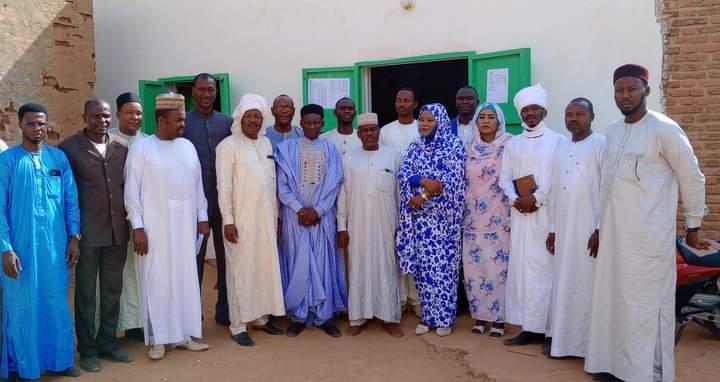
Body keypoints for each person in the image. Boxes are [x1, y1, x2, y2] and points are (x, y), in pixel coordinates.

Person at [585, 65, 708, 382]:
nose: (625, 96)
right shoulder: (612, 131)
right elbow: (606, 187)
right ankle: (612, 365)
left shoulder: (664, 129)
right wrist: (600, 227)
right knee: (613, 301)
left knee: (644, 306)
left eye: (632, 89)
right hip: (613, 237)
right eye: (619, 90)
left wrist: (693, 227)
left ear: (646, 91)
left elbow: (691, 178)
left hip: (647, 239)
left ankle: (645, 373)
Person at [124, 92, 210, 360]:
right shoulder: (142, 148)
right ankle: (159, 338)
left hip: (184, 226)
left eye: (183, 121)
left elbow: (197, 186)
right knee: (159, 278)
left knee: (185, 278)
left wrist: (203, 217)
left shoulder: (187, 147)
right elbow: (131, 191)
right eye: (178, 121)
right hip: (154, 227)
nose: (182, 126)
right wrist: (137, 226)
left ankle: (183, 335)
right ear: (161, 119)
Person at [0, 102, 82, 380]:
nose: (38, 129)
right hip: (20, 249)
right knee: (21, 306)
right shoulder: (8, 161)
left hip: (55, 247)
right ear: (21, 124)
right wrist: (6, 249)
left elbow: (71, 199)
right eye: (32, 123)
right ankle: (22, 366)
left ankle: (61, 361)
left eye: (42, 123)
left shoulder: (58, 159)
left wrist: (74, 237)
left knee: (56, 301)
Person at [58, 100, 132, 372]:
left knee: (113, 291)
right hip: (87, 234)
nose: (101, 120)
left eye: (105, 116)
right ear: (85, 117)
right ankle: (87, 349)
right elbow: (67, 195)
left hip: (116, 233)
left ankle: (108, 343)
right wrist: (73, 235)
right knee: (86, 294)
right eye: (95, 116)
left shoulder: (120, 147)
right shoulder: (69, 149)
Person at [216, 94, 286, 347]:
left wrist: (277, 217)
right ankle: (238, 325)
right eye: (249, 116)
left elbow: (272, 183)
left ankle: (260, 317)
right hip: (240, 220)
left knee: (263, 266)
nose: (254, 121)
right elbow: (223, 187)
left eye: (257, 116)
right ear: (240, 118)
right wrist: (228, 220)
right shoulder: (227, 146)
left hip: (266, 219)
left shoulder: (267, 144)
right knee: (240, 269)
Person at [275, 103, 347, 338]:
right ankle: (298, 315)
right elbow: (281, 186)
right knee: (297, 262)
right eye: (308, 122)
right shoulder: (285, 149)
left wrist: (317, 210)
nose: (313, 127)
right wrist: (299, 209)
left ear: (323, 123)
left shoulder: (331, 150)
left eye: (317, 123)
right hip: (294, 218)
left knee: (322, 262)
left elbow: (334, 185)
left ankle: (324, 316)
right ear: (301, 123)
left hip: (321, 219)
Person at [545, 98, 607, 358]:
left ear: (592, 116)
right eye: (569, 114)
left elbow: (606, 190)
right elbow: (555, 189)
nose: (573, 119)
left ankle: (586, 346)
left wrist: (600, 228)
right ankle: (562, 342)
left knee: (585, 284)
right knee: (564, 282)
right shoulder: (560, 146)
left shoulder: (601, 144)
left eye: (579, 114)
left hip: (588, 230)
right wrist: (552, 229)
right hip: (564, 228)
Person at [499, 84, 559, 350]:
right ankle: (529, 327)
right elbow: (504, 178)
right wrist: (516, 200)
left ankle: (549, 331)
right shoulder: (513, 143)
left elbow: (557, 178)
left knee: (546, 271)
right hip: (521, 216)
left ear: (544, 110)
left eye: (535, 108)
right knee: (524, 271)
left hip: (547, 216)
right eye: (526, 109)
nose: (531, 113)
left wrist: (537, 198)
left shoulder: (558, 141)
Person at [397, 103, 465, 337]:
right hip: (421, 222)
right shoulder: (414, 146)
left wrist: (423, 195)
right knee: (424, 270)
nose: (424, 124)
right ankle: (427, 317)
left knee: (444, 270)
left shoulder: (454, 145)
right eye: (422, 120)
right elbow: (404, 174)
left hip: (444, 221)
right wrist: (424, 181)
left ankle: (444, 318)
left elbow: (452, 180)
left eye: (430, 120)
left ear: (441, 122)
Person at [337, 112, 403, 338]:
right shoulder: (348, 158)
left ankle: (390, 317)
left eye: (372, 130)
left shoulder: (393, 156)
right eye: (364, 130)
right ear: (358, 134)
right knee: (358, 265)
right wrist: (341, 227)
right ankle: (358, 316)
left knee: (386, 265)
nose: (369, 134)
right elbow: (342, 195)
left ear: (378, 132)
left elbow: (399, 193)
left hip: (386, 223)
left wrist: (401, 226)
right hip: (357, 223)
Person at [183, 73, 232, 326]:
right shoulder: (183, 123)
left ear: (216, 92)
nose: (205, 94)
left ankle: (225, 311)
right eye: (201, 89)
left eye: (210, 90)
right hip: (193, 205)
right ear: (193, 91)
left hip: (223, 203)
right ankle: (193, 315)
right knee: (194, 260)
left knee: (227, 260)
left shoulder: (227, 123)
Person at [462, 102, 512, 337]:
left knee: (497, 269)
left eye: (491, 117)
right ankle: (480, 317)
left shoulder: (509, 145)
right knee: (474, 270)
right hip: (472, 219)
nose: (485, 121)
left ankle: (499, 320)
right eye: (481, 117)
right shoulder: (467, 148)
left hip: (499, 217)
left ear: (499, 121)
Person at [379, 87, 422, 317]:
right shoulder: (386, 131)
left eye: (406, 100)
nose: (402, 104)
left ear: (415, 104)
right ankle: (400, 298)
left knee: (417, 248)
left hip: (419, 199)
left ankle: (416, 300)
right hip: (392, 196)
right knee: (396, 247)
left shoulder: (422, 127)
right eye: (398, 100)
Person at [110, 92, 146, 341]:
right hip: (112, 220)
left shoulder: (147, 142)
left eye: (139, 113)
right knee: (114, 274)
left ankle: (136, 324)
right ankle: (111, 327)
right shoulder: (108, 140)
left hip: (141, 220)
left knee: (138, 273)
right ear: (118, 114)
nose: (135, 117)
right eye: (130, 112)